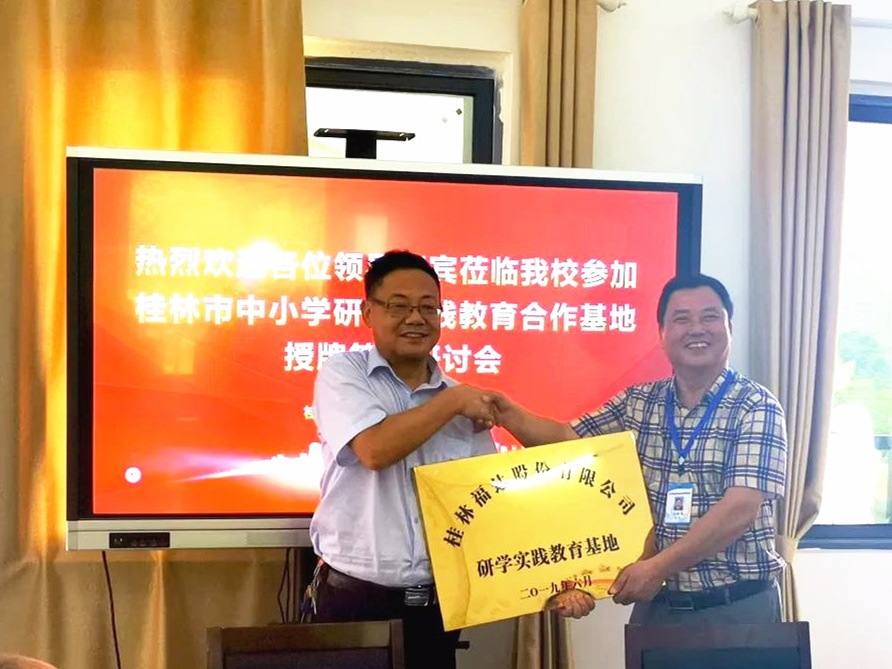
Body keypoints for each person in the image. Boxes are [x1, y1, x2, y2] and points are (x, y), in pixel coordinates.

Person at [304, 250, 588, 669]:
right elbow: (375, 450)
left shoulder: (464, 404)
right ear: (368, 312)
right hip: (352, 605)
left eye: (427, 307)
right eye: (398, 306)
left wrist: (556, 580)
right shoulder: (343, 373)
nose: (415, 318)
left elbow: (491, 508)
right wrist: (453, 401)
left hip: (434, 613)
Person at [493, 274, 788, 625]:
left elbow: (740, 509)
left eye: (710, 316)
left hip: (738, 608)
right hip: (659, 608)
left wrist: (657, 567)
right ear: (661, 333)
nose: (696, 329)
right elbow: (566, 440)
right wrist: (504, 412)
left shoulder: (756, 405)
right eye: (681, 319)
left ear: (729, 327)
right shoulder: (638, 402)